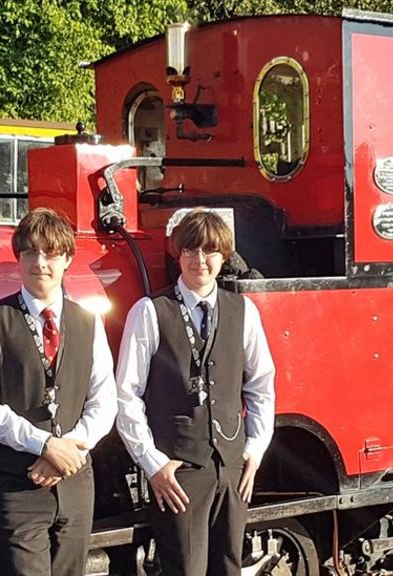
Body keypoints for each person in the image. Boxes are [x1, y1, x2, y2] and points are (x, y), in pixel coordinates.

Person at [114, 209, 276, 576]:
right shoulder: (150, 312)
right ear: (178, 254)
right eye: (190, 250)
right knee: (185, 569)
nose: (199, 260)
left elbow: (261, 383)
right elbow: (126, 395)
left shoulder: (244, 311)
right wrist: (153, 463)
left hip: (232, 466)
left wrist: (254, 450)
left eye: (210, 250)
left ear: (224, 255)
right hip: (178, 470)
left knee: (229, 566)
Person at [0, 207, 117, 575]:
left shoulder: (89, 321)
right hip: (15, 487)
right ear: (18, 258)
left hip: (75, 485)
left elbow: (104, 401)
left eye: (51, 253)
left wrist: (69, 450)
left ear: (67, 259)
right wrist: (45, 446)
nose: (40, 263)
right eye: (30, 252)